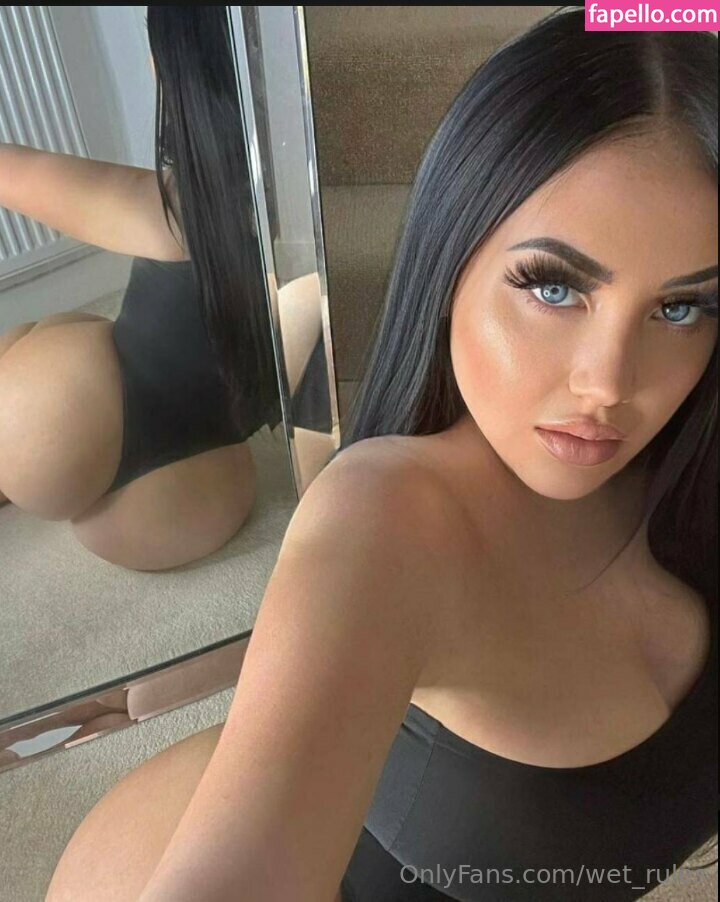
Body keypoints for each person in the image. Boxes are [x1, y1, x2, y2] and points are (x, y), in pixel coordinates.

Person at [45, 7, 717, 901]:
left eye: (681, 307)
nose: (607, 383)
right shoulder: (389, 518)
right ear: (450, 259)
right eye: (553, 287)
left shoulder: (689, 464)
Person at [0, 7, 282, 571]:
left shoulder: (175, 208)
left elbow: (12, 172)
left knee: (42, 335)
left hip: (60, 428)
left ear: (175, 72)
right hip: (200, 493)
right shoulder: (328, 219)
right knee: (72, 334)